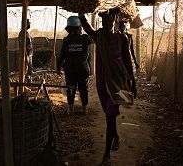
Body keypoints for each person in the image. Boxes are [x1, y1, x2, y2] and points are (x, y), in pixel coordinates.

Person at [79, 9, 135, 165]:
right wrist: (80, 12)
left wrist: (133, 82)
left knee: (111, 115)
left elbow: (128, 61)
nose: (107, 25)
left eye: (110, 22)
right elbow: (86, 26)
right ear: (101, 22)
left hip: (117, 83)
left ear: (115, 20)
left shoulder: (122, 38)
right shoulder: (99, 36)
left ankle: (106, 155)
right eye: (104, 22)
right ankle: (116, 136)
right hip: (102, 82)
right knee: (108, 114)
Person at [57, 16, 91, 115]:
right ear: (79, 27)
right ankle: (84, 110)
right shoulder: (85, 38)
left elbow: (62, 55)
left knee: (71, 88)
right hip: (83, 69)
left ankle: (70, 110)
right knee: (83, 88)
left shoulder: (66, 40)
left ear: (69, 28)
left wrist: (58, 67)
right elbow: (92, 35)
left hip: (70, 69)